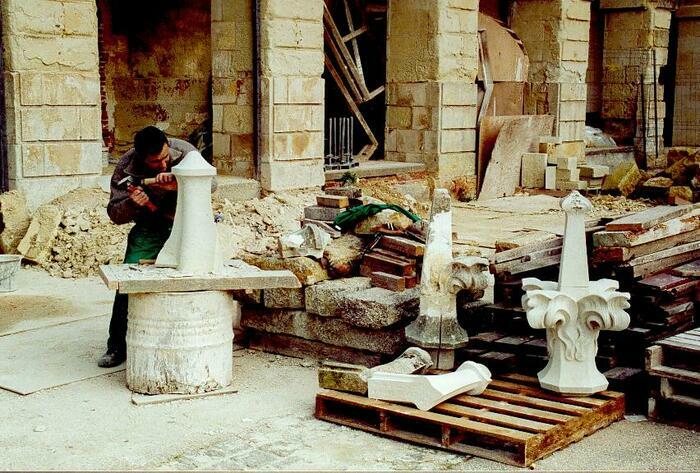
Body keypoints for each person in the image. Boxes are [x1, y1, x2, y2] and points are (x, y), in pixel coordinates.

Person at [97, 126, 198, 368]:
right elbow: (114, 213)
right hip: (149, 226)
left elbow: (211, 185)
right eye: (155, 162)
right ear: (141, 158)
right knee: (128, 282)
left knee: (195, 277)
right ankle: (116, 346)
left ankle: (186, 340)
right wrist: (132, 203)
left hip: (186, 225)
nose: (163, 165)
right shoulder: (127, 165)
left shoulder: (185, 153)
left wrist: (178, 184)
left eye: (165, 158)